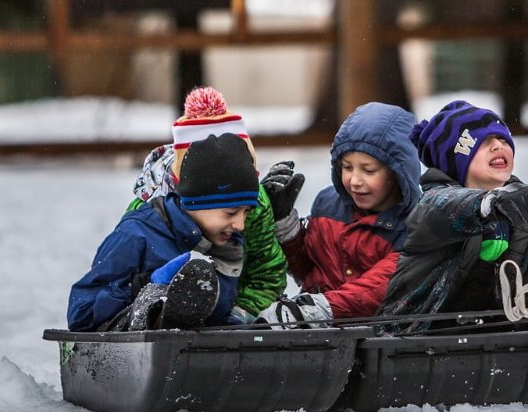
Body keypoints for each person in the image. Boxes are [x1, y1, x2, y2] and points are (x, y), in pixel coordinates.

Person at [378, 100, 528, 335]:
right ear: (454, 161)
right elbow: (447, 206)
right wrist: (489, 204)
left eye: (502, 139)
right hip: (414, 336)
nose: (497, 146)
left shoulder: (520, 211)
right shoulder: (433, 206)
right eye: (482, 142)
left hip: (493, 338)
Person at [68, 133, 262, 331]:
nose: (240, 225)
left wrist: (241, 330)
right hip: (131, 347)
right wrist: (143, 284)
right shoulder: (137, 234)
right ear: (196, 202)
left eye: (246, 213)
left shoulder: (228, 245)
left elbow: (215, 317)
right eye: (230, 213)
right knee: (155, 305)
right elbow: (81, 313)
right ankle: (154, 312)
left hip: (192, 353)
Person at [129, 87, 287, 323]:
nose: (240, 223)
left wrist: (241, 313)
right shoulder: (147, 210)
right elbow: (119, 280)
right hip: (162, 320)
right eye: (231, 211)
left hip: (233, 312)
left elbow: (267, 273)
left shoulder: (255, 205)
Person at [258, 102, 422, 325]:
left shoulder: (415, 225)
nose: (354, 180)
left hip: (376, 339)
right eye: (347, 167)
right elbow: (307, 267)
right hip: (316, 334)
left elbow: (380, 288)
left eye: (368, 170)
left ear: (398, 171)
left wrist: (318, 309)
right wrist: (284, 226)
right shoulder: (328, 205)